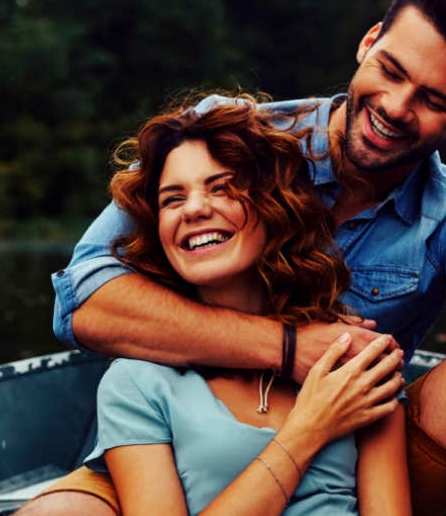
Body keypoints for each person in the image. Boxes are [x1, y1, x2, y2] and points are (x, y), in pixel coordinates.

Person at [30, 0, 446, 516]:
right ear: (369, 42)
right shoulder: (231, 142)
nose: (395, 108)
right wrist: (288, 348)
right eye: (393, 71)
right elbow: (82, 298)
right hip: (173, 454)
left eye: (433, 101)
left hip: (352, 459)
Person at [82, 101, 410, 515]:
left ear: (273, 206)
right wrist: (308, 430)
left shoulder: (352, 360)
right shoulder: (136, 383)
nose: (195, 209)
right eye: (172, 199)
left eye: (221, 188)